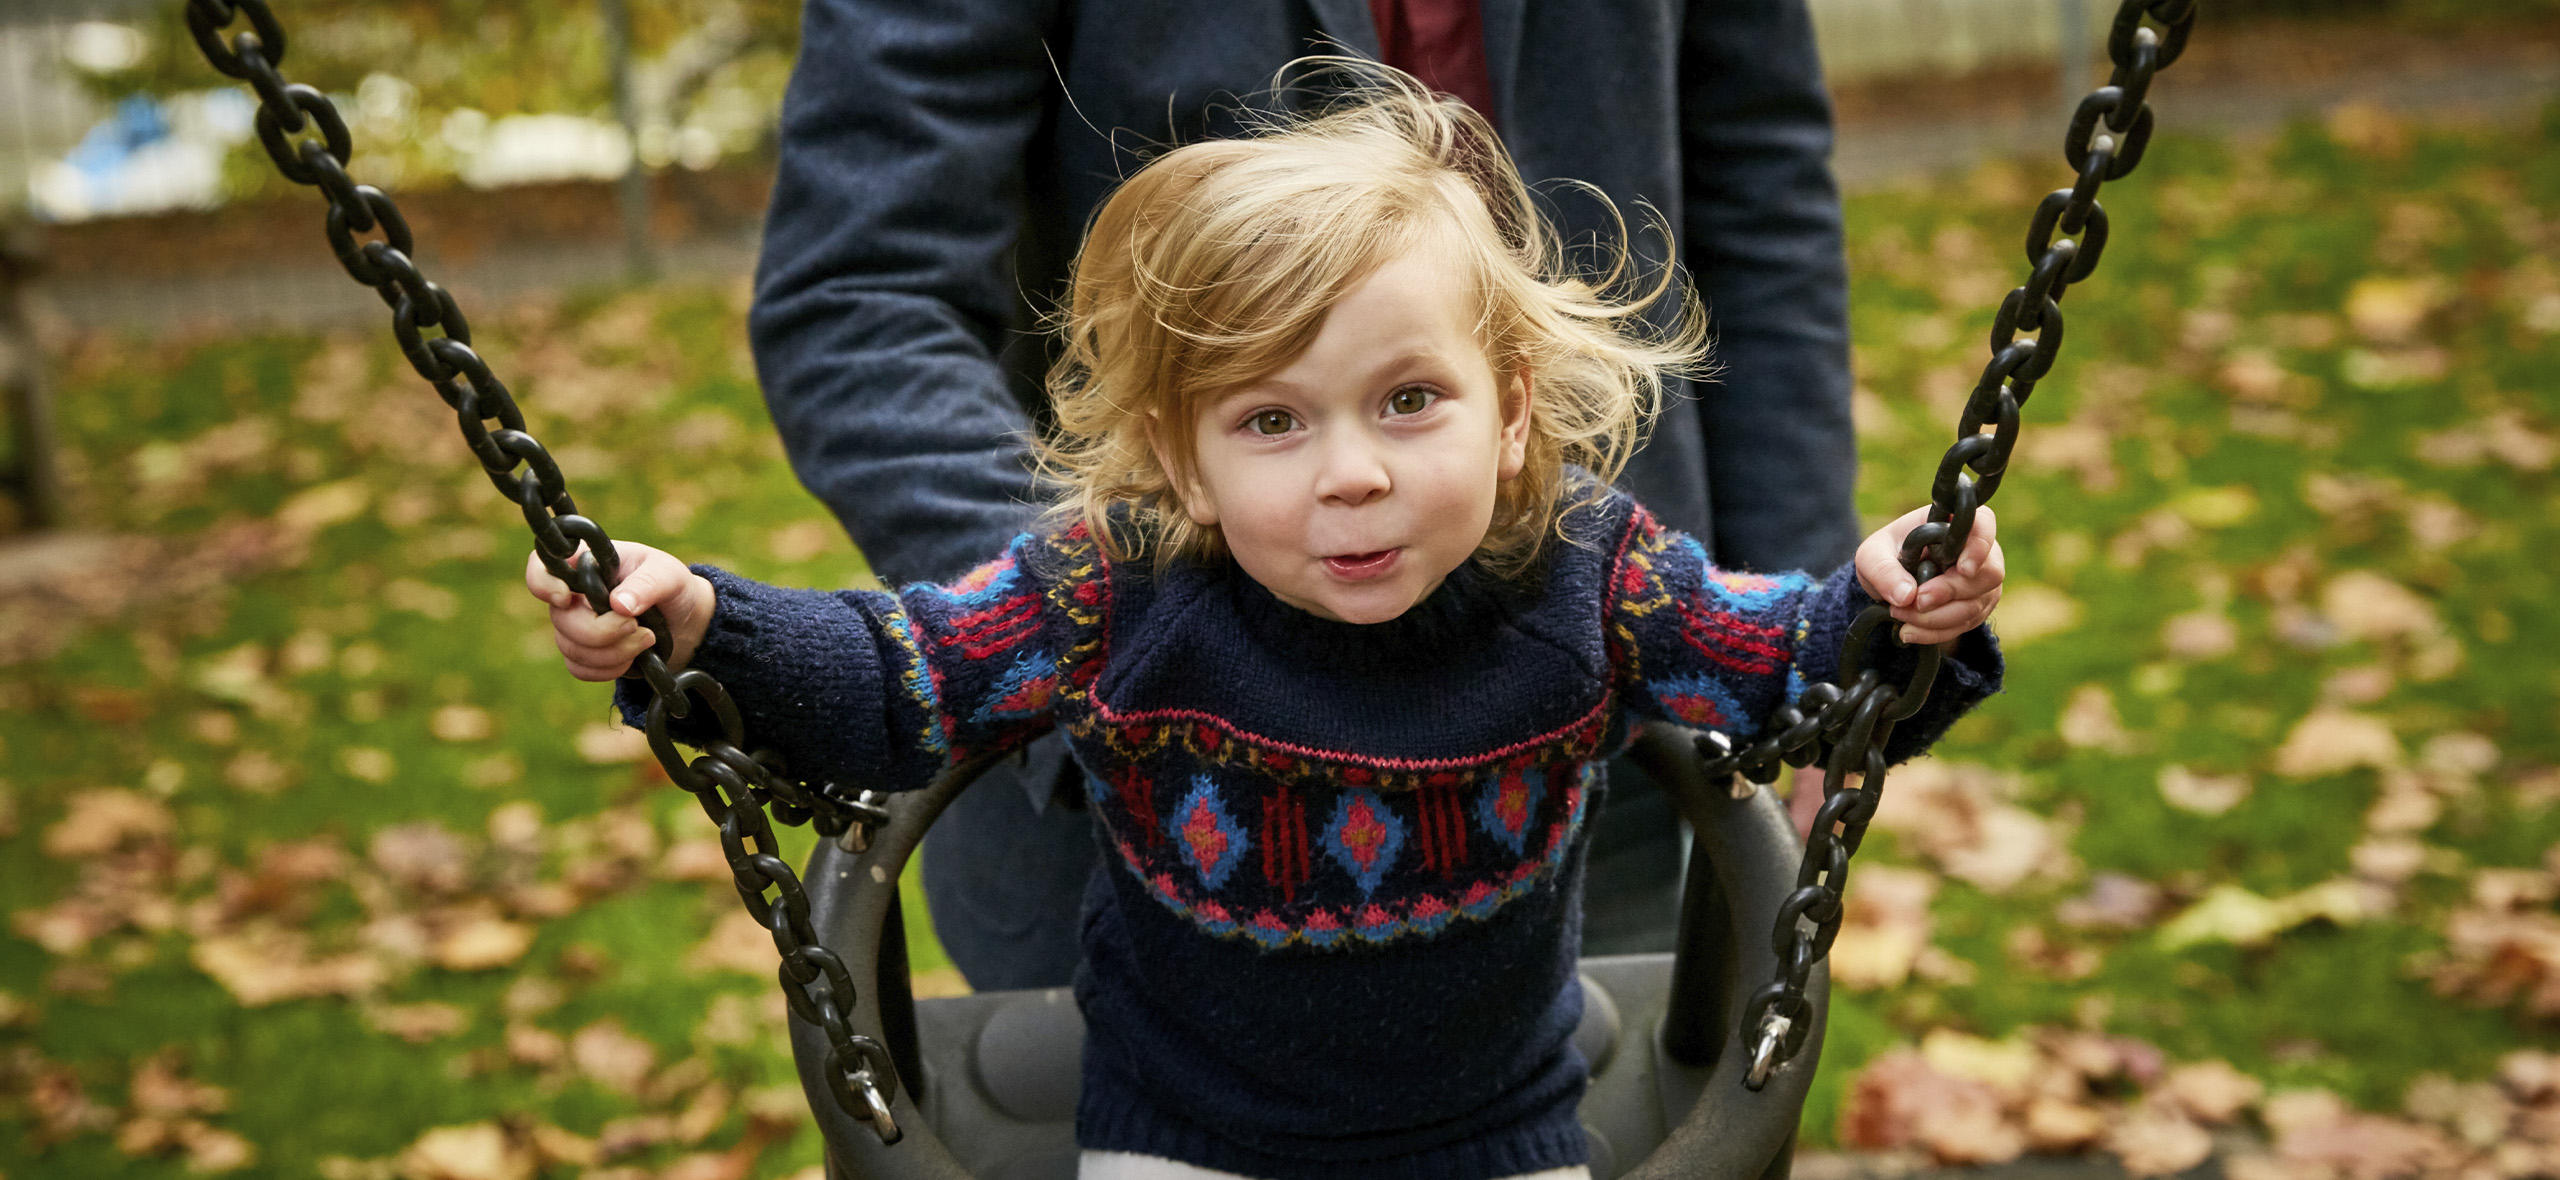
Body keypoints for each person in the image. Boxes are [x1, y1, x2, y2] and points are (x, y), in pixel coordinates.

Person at [534, 78, 2000, 1180]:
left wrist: (1891, 606)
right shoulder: (1111, 594)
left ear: (1512, 413)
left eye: (1408, 399)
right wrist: (703, 628)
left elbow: (1789, 670)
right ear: (1185, 460)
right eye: (1273, 420)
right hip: (1184, 1138)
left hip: (1498, 1131)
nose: (1352, 471)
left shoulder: (1591, 578)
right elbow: (894, 679)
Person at [751, 0, 1864, 990]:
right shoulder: (1134, 642)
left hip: (1598, 713)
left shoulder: (1618, 594)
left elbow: (1753, 201)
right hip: (1159, 777)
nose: (1355, 473)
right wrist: (1118, 641)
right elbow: (862, 293)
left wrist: (1803, 654)